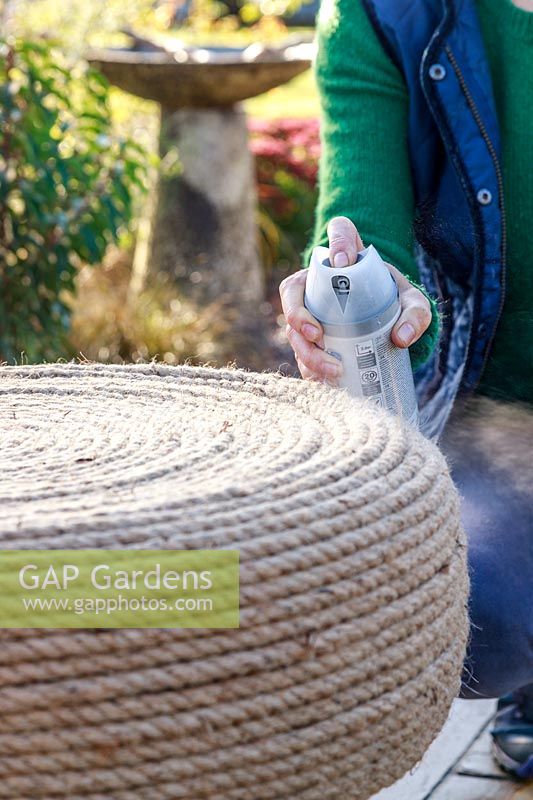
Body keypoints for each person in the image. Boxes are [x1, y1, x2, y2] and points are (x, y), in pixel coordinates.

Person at [279, 0, 533, 777]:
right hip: (505, 425)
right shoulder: (383, 15)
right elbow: (363, 224)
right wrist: (357, 287)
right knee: (469, 607)